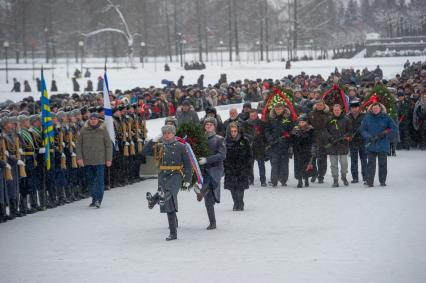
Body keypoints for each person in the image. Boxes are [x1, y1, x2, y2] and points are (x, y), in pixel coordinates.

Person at [144, 125, 192, 241]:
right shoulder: (159, 145)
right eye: (164, 133)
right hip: (163, 175)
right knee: (168, 204)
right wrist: (154, 140)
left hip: (176, 174)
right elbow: (144, 151)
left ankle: (154, 199)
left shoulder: (181, 146)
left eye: (169, 133)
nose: (167, 135)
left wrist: (187, 180)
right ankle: (173, 233)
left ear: (173, 134)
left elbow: (188, 164)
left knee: (168, 194)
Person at [76, 112, 112, 208]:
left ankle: (98, 200)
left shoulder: (103, 130)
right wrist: (79, 158)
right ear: (89, 120)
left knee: (99, 181)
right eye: (91, 119)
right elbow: (78, 145)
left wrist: (109, 159)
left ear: (97, 120)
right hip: (87, 161)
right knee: (90, 181)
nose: (93, 121)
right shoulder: (83, 130)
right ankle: (94, 198)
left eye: (95, 119)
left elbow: (108, 145)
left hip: (100, 160)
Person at [196, 117, 226, 230]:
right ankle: (212, 222)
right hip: (203, 169)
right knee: (209, 200)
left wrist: (207, 160)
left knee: (209, 181)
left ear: (215, 126)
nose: (208, 126)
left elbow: (222, 155)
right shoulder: (200, 139)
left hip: (216, 169)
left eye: (211, 124)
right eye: (206, 124)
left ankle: (202, 191)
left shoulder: (219, 139)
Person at [359, 103, 397, 187]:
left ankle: (382, 181)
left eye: (377, 108)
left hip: (383, 144)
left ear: (380, 109)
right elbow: (362, 130)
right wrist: (369, 137)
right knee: (371, 164)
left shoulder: (386, 117)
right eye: (374, 108)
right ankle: (369, 181)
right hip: (371, 144)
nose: (375, 109)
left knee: (382, 164)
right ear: (371, 109)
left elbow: (394, 128)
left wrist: (386, 133)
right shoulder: (367, 118)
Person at [224, 123, 252, 211]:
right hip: (230, 167)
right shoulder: (225, 141)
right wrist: (225, 166)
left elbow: (249, 155)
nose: (233, 133)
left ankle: (240, 203)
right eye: (231, 131)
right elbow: (223, 155)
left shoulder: (244, 140)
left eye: (235, 131)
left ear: (238, 131)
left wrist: (248, 166)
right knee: (232, 187)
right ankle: (235, 203)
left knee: (240, 187)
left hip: (242, 167)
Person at [265, 103, 294, 187]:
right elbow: (267, 130)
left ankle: (283, 180)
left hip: (285, 144)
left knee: (284, 163)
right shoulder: (270, 118)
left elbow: (292, 130)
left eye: (280, 109)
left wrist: (288, 135)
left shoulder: (288, 118)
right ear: (274, 109)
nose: (278, 110)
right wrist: (270, 139)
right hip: (274, 144)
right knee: (274, 163)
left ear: (283, 109)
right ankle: (274, 180)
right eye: (277, 109)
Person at [326, 104, 352, 187]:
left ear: (341, 110)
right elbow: (325, 131)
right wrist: (330, 138)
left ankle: (344, 177)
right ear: (333, 111)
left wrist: (345, 136)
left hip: (343, 144)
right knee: (333, 164)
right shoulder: (329, 119)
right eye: (335, 110)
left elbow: (350, 130)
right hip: (332, 144)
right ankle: (335, 179)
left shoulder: (346, 119)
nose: (336, 111)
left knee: (344, 164)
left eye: (338, 110)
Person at [308, 100, 330, 184]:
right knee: (313, 157)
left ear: (324, 105)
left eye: (321, 105)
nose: (319, 106)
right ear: (315, 105)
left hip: (324, 139)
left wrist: (328, 136)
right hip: (313, 138)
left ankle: (321, 175)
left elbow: (330, 127)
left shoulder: (328, 114)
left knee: (322, 159)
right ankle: (314, 173)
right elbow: (307, 124)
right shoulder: (311, 114)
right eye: (318, 105)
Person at [290, 114, 314, 188]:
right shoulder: (295, 130)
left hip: (307, 150)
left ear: (306, 122)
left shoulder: (310, 129)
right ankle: (299, 180)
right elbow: (292, 140)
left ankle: (306, 179)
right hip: (297, 151)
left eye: (303, 122)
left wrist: (304, 137)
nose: (301, 123)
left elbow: (312, 140)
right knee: (298, 166)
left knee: (306, 165)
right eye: (300, 122)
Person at [347, 100, 367, 184]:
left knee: (364, 159)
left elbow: (367, 127)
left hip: (363, 140)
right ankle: (355, 177)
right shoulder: (347, 117)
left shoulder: (364, 116)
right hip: (353, 141)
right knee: (353, 160)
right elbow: (346, 129)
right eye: (352, 108)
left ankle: (365, 176)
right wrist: (348, 135)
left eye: (356, 107)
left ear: (359, 108)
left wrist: (364, 134)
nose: (354, 109)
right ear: (350, 108)